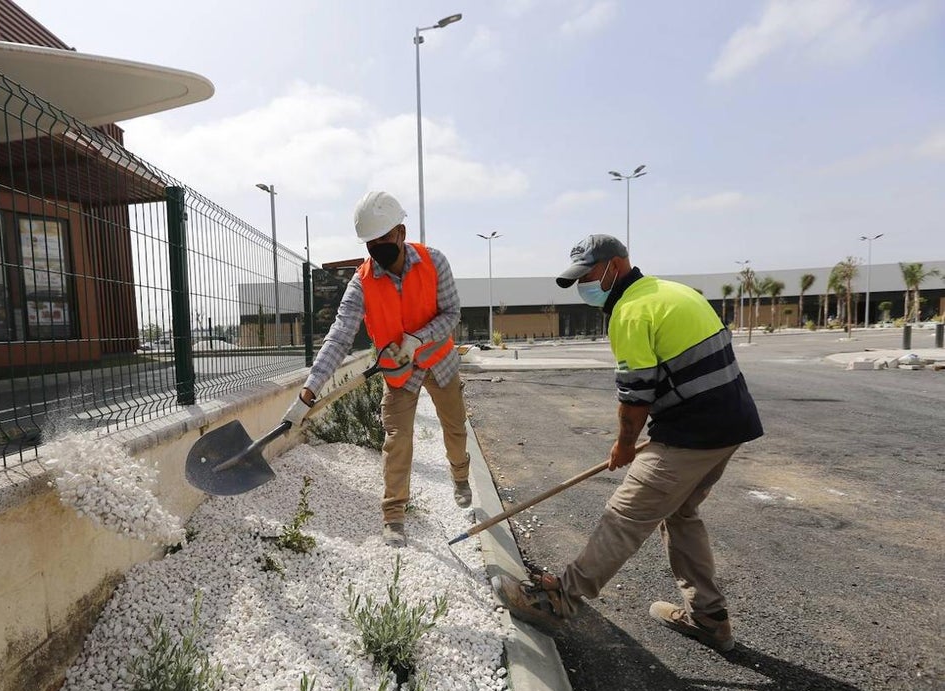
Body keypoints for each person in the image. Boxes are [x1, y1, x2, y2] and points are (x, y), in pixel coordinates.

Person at [491, 234, 763, 651]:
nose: (584, 285)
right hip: (729, 427)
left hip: (692, 434)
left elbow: (635, 398)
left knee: (625, 515)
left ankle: (559, 599)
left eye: (588, 275)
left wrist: (623, 445)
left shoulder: (632, 312)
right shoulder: (671, 292)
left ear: (614, 266)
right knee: (682, 514)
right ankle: (708, 617)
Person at [282, 191, 472, 548]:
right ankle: (394, 515)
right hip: (399, 373)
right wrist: (308, 392)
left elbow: (451, 314)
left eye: (384, 238)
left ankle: (460, 477)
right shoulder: (362, 282)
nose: (378, 247)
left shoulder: (435, 262)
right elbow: (339, 337)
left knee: (455, 429)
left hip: (440, 361)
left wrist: (417, 338)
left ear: (400, 232)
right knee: (397, 441)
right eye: (371, 241)